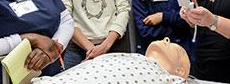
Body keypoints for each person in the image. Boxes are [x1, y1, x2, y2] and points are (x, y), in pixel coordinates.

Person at [31, 37, 193, 84]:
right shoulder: (133, 57)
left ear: (179, 72)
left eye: (175, 48)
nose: (166, 40)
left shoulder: (166, 78)